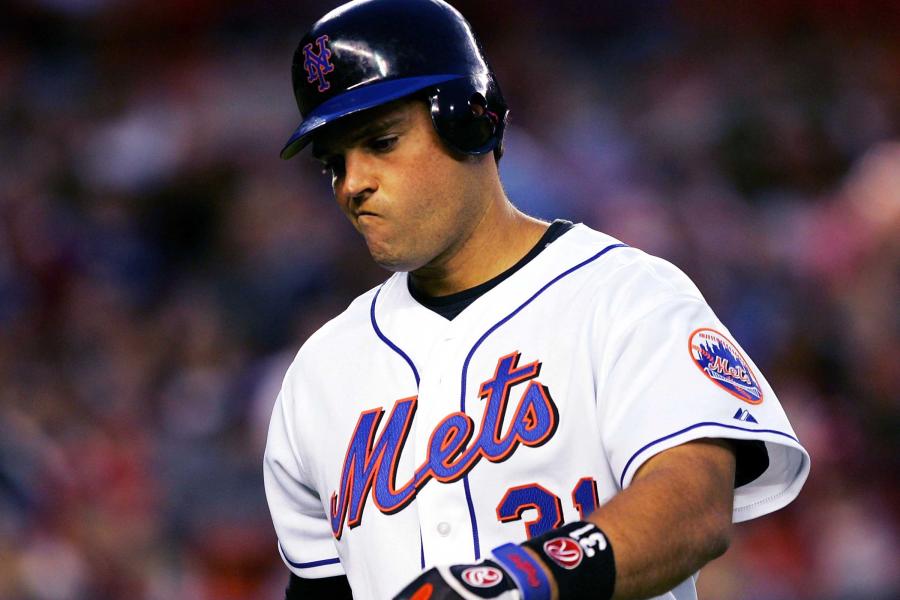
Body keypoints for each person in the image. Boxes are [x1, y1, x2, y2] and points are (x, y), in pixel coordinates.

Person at [263, 1, 810, 599]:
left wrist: (515, 581)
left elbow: (692, 507)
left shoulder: (623, 298)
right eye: (333, 164)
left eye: (381, 142)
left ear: (469, 119)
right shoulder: (318, 375)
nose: (353, 183)